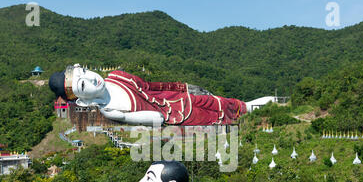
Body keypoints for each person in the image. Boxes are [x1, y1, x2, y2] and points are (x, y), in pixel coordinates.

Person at [49, 64, 247, 126]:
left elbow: (151, 86)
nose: (92, 78)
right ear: (82, 100)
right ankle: (249, 117)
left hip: (176, 96)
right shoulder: (110, 110)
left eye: (85, 71)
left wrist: (183, 87)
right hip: (176, 116)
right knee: (219, 116)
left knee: (224, 103)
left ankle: (253, 108)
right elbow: (156, 118)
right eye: (83, 84)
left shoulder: (116, 76)